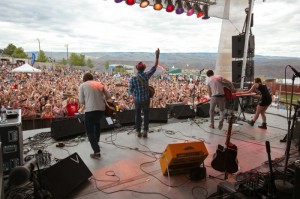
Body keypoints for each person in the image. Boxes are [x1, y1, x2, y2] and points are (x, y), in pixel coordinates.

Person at [79, 73, 112, 159]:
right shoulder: (99, 84)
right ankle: (96, 141)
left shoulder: (82, 86)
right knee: (97, 124)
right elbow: (108, 95)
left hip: (90, 110)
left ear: (84, 79)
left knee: (89, 131)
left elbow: (82, 101)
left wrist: (89, 99)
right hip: (101, 109)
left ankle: (96, 152)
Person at [128, 48, 160, 138]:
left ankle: (138, 131)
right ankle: (145, 130)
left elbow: (130, 91)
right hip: (146, 99)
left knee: (137, 115)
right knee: (146, 115)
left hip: (137, 100)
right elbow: (154, 67)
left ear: (137, 69)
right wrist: (157, 56)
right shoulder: (146, 75)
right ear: (144, 68)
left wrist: (134, 95)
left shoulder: (133, 78)